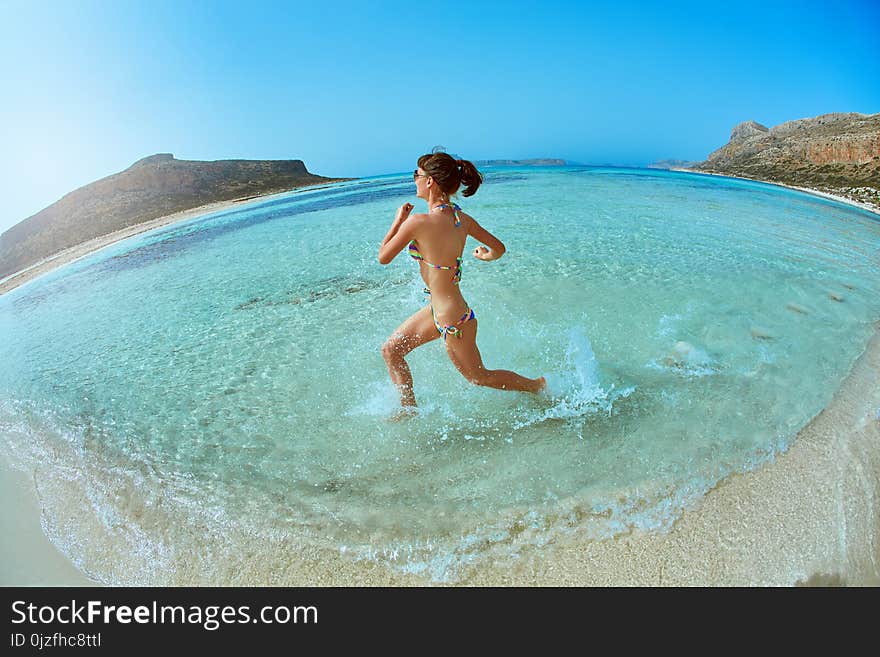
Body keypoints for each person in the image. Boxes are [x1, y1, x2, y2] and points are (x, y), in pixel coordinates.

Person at [378, 152, 546, 414]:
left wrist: (397, 221)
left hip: (451, 318)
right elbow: (498, 248)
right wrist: (484, 255)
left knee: (479, 377)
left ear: (430, 181)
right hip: (442, 310)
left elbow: (383, 257)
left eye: (417, 175)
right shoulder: (461, 220)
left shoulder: (416, 222)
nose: (415, 180)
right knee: (391, 351)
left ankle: (537, 386)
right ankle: (408, 411)